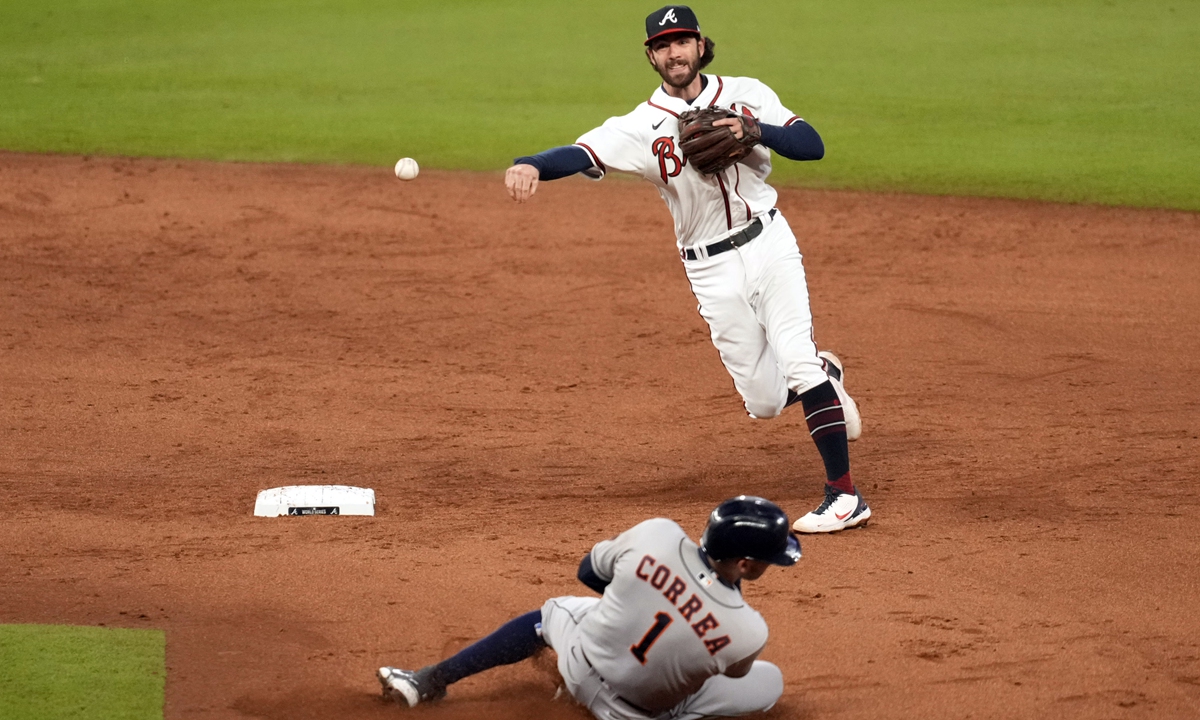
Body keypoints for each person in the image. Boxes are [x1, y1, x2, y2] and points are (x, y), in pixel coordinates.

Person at [503, 5, 870, 533]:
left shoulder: (746, 91)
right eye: (663, 45)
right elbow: (582, 151)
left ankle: (843, 495)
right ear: (651, 56)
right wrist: (532, 163)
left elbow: (811, 146)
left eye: (682, 41)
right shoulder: (639, 124)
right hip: (709, 268)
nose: (674, 52)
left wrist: (753, 129)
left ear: (700, 45)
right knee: (765, 402)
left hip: (768, 242)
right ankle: (826, 377)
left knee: (796, 359)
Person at [378, 496, 800, 718]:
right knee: (769, 683)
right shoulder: (748, 631)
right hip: (631, 715)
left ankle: (427, 681)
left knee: (550, 615)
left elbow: (588, 572)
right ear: (745, 564)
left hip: (580, 662)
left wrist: (636, 599)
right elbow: (729, 671)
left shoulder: (657, 534)